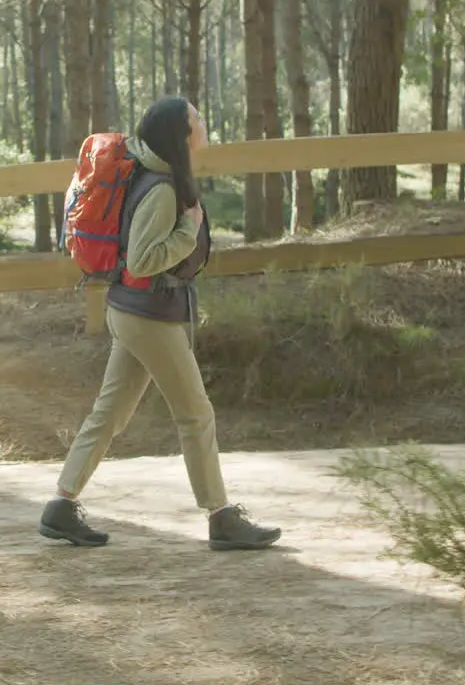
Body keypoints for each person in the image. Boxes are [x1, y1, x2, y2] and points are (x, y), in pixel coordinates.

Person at [37, 96, 283, 552]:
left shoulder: (157, 176)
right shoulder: (162, 189)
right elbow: (146, 259)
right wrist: (188, 228)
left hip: (134, 311)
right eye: (197, 118)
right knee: (196, 413)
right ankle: (221, 516)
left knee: (109, 413)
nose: (204, 122)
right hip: (146, 315)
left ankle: (60, 506)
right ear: (180, 133)